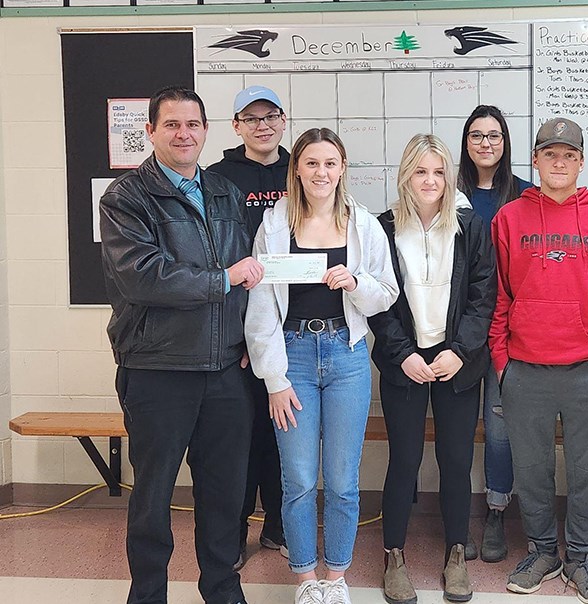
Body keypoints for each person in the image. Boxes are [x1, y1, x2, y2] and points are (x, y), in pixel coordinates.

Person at [100, 86, 264, 604]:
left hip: (225, 371)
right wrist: (222, 281)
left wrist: (245, 340)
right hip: (157, 368)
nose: (183, 134)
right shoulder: (125, 197)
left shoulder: (224, 193)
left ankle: (222, 589)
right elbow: (145, 278)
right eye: (171, 125)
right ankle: (147, 594)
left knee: (224, 494)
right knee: (152, 496)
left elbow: (251, 274)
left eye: (192, 124)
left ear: (206, 130)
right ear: (150, 132)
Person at [244, 127, 398, 604]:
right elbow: (261, 308)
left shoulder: (363, 225)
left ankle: (336, 577)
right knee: (299, 479)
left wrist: (354, 281)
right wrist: (274, 379)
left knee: (343, 481)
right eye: (311, 163)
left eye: (330, 163)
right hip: (292, 360)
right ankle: (305, 579)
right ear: (297, 169)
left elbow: (386, 294)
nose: (321, 172)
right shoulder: (274, 227)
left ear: (343, 168)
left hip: (345, 356)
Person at [491, 118, 588, 604]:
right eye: (549, 154)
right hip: (524, 369)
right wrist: (502, 360)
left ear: (580, 162)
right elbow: (497, 297)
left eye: (568, 155)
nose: (558, 162)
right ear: (535, 159)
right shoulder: (508, 219)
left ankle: (581, 558)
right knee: (531, 468)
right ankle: (543, 551)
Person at [370, 133, 496, 604]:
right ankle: (394, 555)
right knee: (403, 461)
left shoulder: (469, 225)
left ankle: (456, 554)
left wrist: (460, 351)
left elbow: (484, 296)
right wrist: (402, 352)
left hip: (456, 362)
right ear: (406, 175)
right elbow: (377, 300)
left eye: (439, 172)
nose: (430, 180)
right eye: (420, 171)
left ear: (450, 177)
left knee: (456, 462)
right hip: (404, 361)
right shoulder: (382, 227)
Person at [207, 84, 290, 568]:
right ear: (236, 125)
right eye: (251, 118)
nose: (262, 125)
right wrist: (242, 335)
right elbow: (219, 256)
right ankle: (235, 535)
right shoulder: (218, 177)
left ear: (282, 120)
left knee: (282, 436)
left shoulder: (301, 171)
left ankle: (278, 528)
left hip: (289, 328)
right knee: (237, 442)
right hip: (236, 333)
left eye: (270, 116)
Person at [456, 104, 531, 563]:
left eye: (495, 135)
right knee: (462, 429)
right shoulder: (449, 192)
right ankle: (457, 519)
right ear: (466, 143)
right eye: (477, 135)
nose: (487, 143)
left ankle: (497, 511)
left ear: (505, 143)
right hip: (461, 335)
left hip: (510, 333)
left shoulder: (525, 196)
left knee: (501, 428)